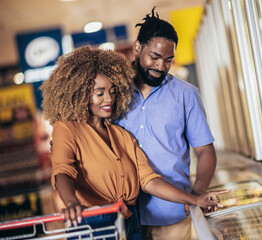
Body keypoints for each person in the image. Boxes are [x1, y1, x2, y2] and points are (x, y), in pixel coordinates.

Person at [40, 46, 228, 240]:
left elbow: (149, 180)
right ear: (80, 94)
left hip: (129, 221)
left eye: (112, 91)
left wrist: (195, 198)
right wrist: (71, 203)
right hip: (94, 225)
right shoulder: (67, 129)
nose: (109, 99)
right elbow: (63, 171)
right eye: (100, 93)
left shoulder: (122, 135)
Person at [114, 7, 217, 240]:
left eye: (168, 60)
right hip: (124, 218)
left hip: (174, 217)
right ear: (137, 48)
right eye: (155, 57)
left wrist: (197, 192)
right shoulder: (112, 93)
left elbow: (206, 151)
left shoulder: (186, 95)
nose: (161, 67)